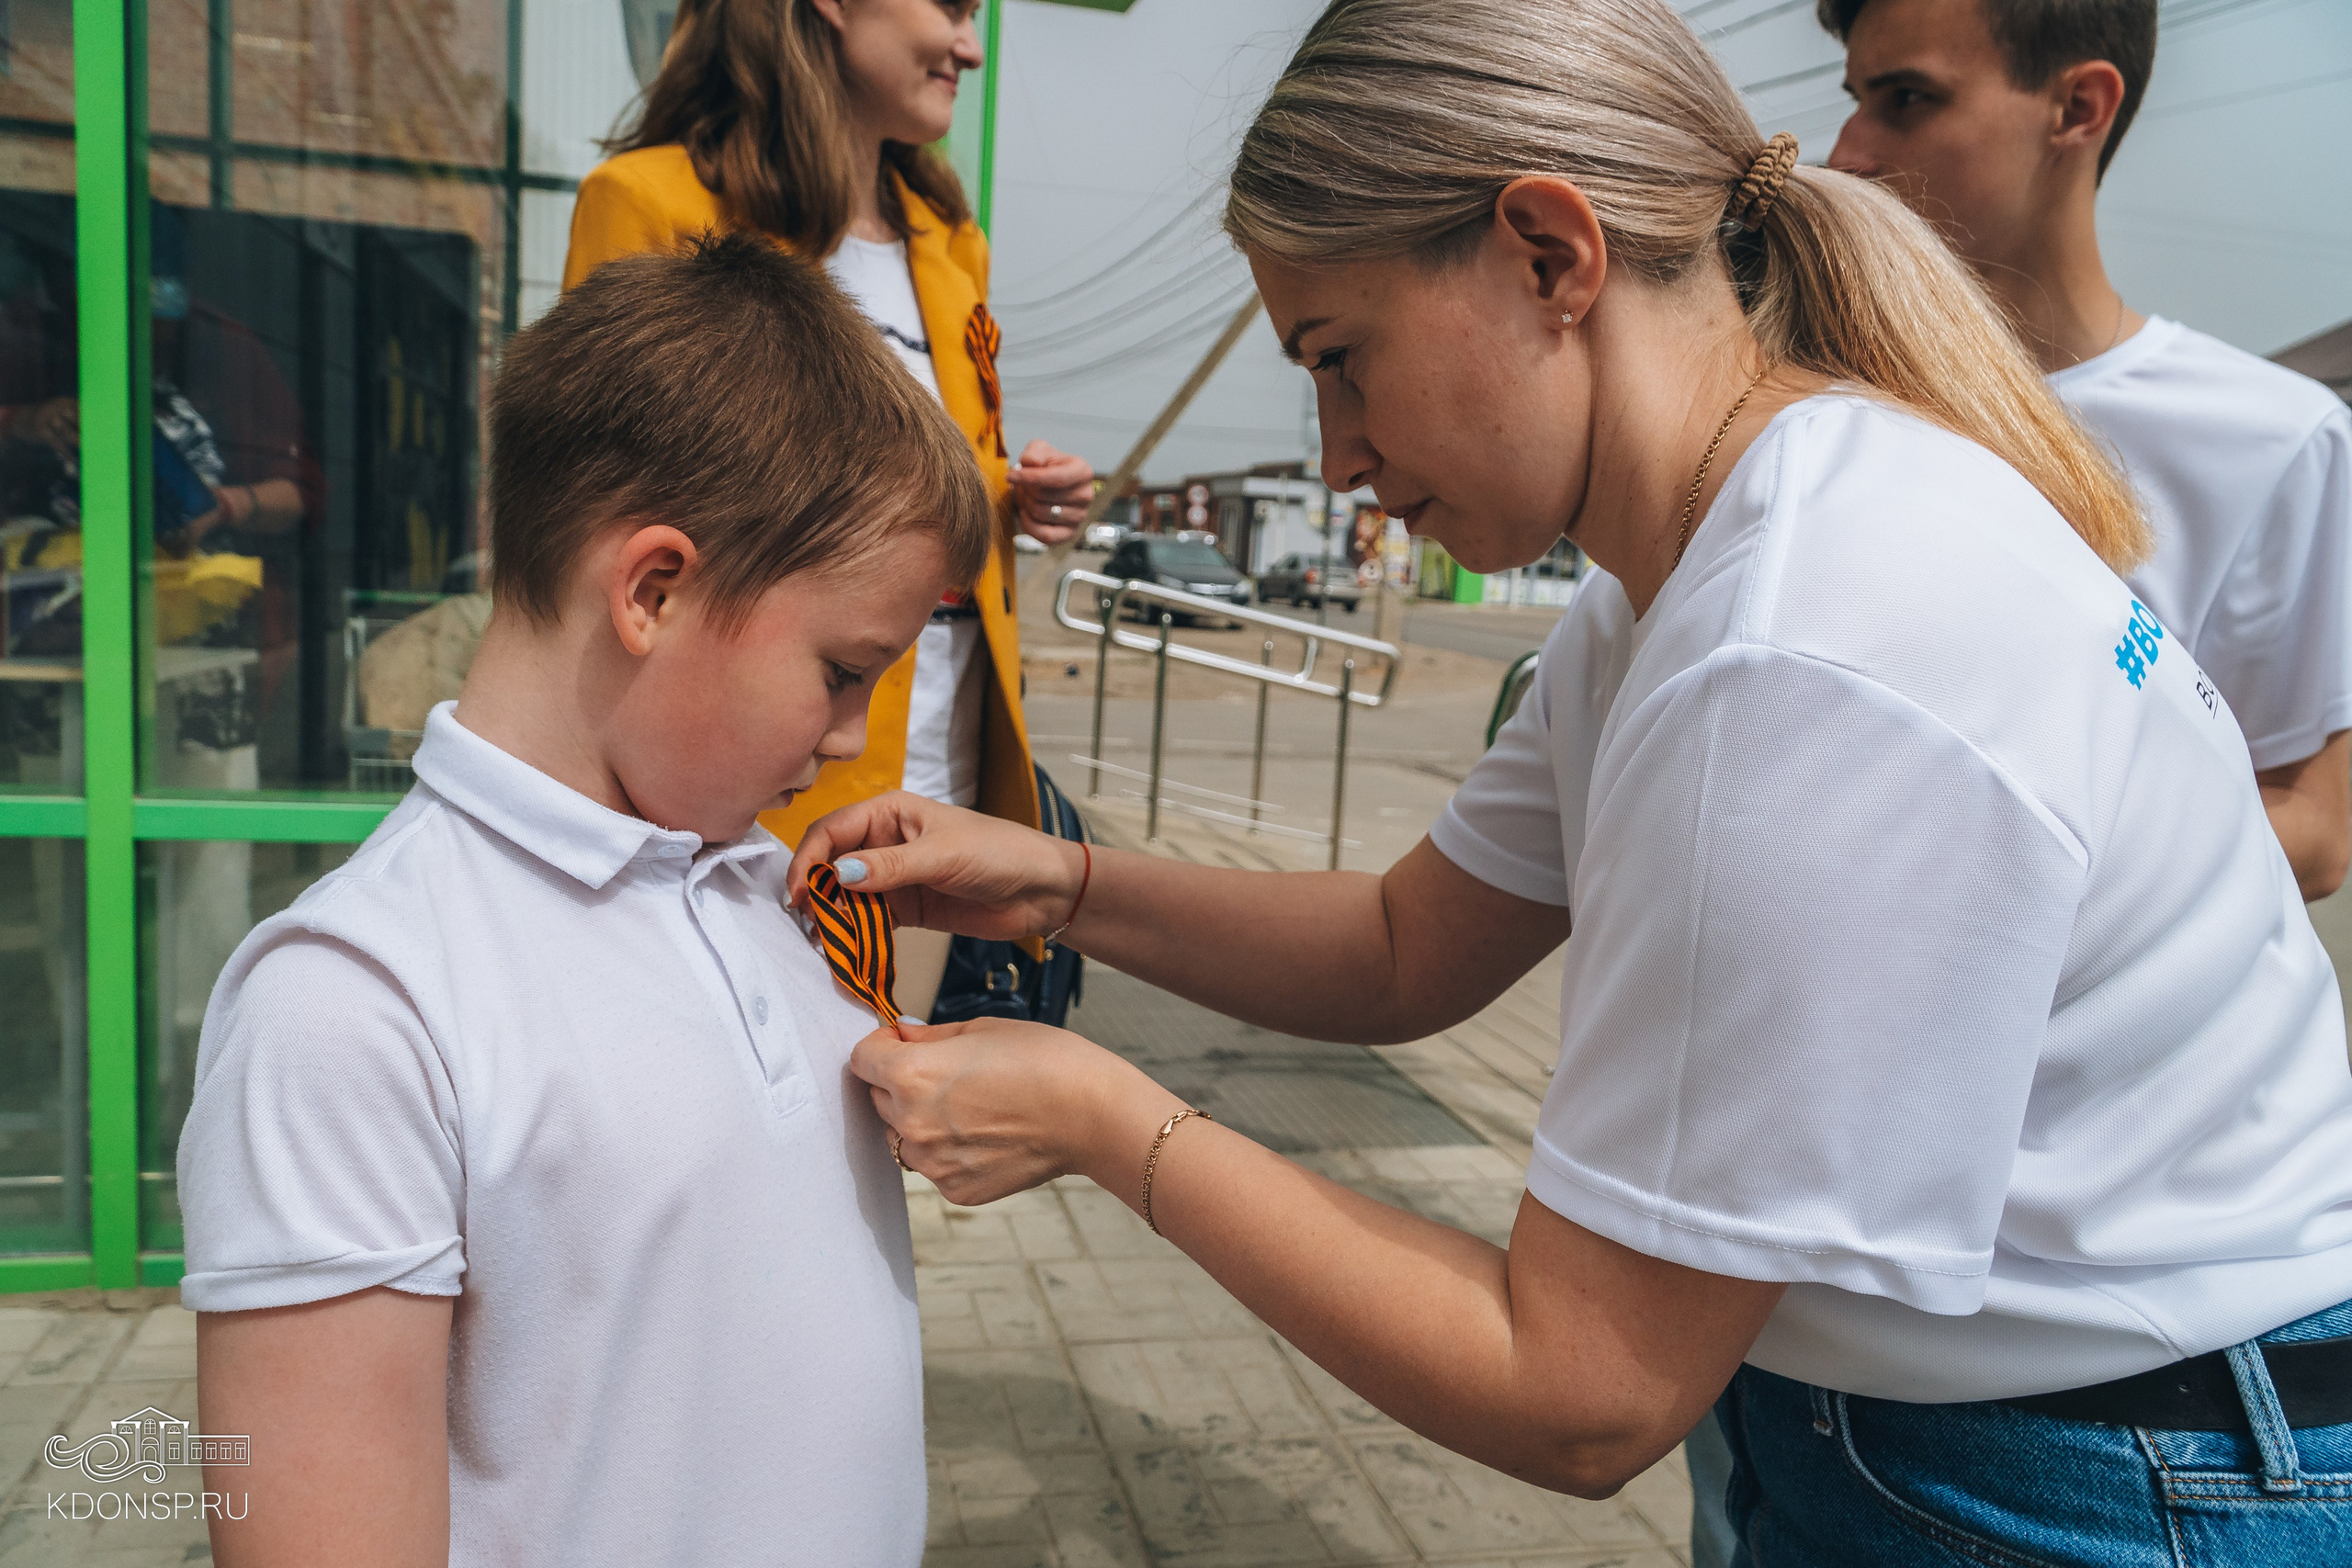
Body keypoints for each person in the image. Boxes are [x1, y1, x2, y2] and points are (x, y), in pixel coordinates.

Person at [787, 1, 2352, 1562]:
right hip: (1968, 1421)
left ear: (1551, 254)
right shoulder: (1682, 573)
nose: (1332, 451)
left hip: (2099, 1469)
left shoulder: (1803, 639)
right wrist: (1059, 884)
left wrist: (1106, 1118)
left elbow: (1581, 1388)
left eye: (1343, 358)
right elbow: (1409, 945)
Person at [178, 232, 991, 1566]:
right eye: (846, 668)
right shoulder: (355, 1010)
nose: (852, 735)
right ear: (654, 589)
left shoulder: (754, 890)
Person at [563, 0, 1097, 1019]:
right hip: (729, 783)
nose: (971, 47)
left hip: (932, 759)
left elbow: (910, 494)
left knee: (871, 1122)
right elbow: (601, 521)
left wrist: (1002, 498)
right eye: (952, 6)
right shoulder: (648, 203)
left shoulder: (948, 241)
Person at [1820, 0, 2352, 901]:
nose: (1847, 154)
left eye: (1905, 99)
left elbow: (2314, 829)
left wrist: (1978, 852)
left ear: (2077, 110)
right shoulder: (1817, 410)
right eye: (1855, 97)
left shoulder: (2275, 440)